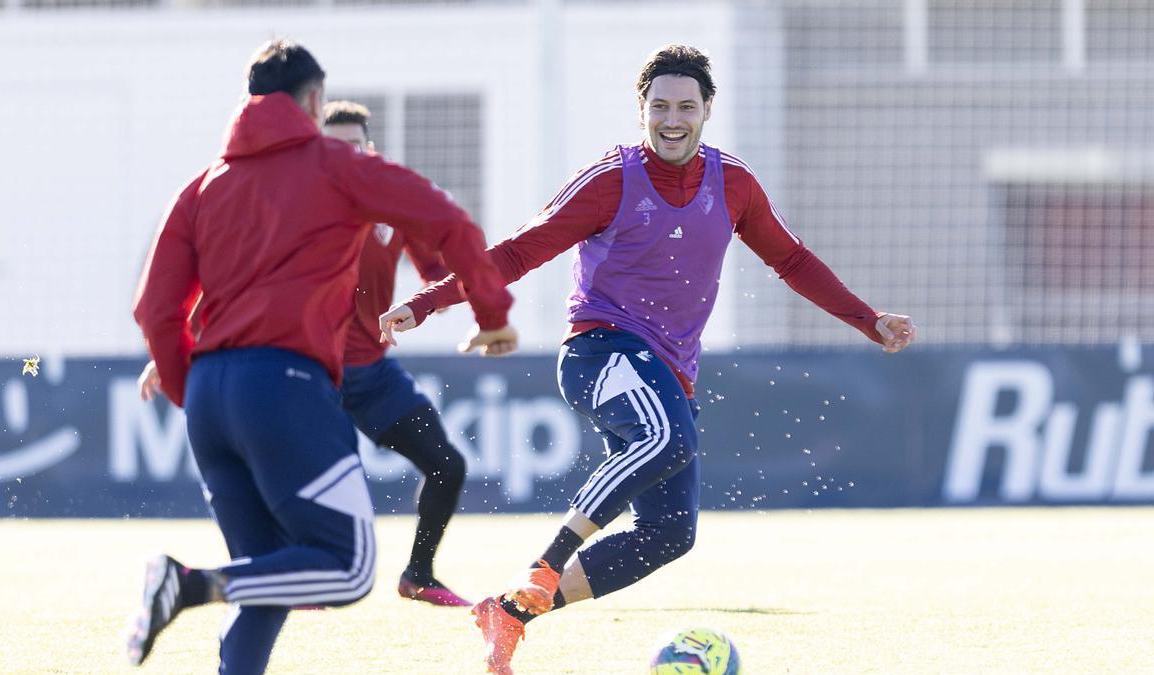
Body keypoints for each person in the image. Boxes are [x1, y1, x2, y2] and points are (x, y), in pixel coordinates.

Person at [380, 44, 916, 674]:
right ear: (641, 109)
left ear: (707, 110)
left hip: (668, 372)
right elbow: (519, 251)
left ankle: (512, 613)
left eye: (686, 106)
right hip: (600, 349)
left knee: (671, 534)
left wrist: (867, 319)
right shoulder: (611, 179)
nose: (672, 119)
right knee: (668, 438)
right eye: (659, 106)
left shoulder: (734, 183)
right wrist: (426, 303)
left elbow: (791, 260)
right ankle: (546, 565)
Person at [128, 39, 515, 673]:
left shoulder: (202, 185)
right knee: (349, 567)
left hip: (210, 398)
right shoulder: (339, 167)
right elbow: (451, 223)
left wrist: (189, 391)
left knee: (268, 580)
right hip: (284, 384)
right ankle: (188, 584)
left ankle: (208, 604)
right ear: (314, 100)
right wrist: (493, 316)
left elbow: (155, 312)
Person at [322, 100, 471, 607]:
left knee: (447, 466)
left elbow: (436, 273)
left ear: (369, 149)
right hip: (310, 373)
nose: (345, 157)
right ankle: (305, 577)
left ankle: (419, 576)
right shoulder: (294, 206)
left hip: (372, 370)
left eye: (354, 146)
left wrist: (441, 293)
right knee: (326, 484)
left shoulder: (390, 201)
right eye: (332, 147)